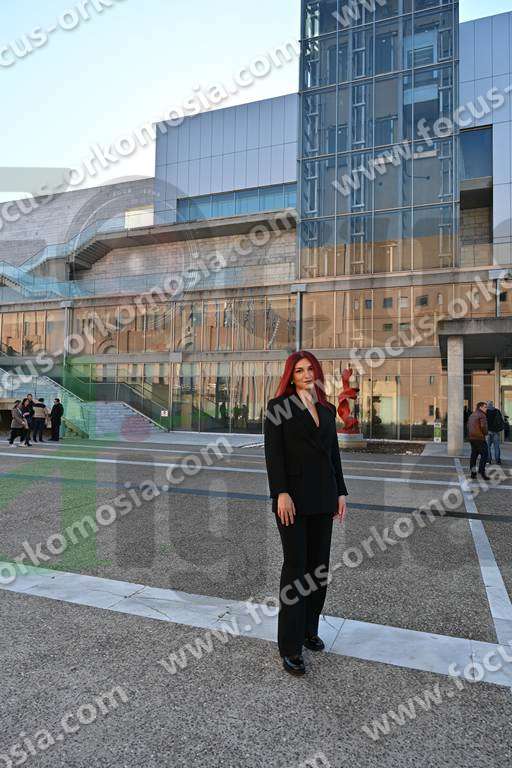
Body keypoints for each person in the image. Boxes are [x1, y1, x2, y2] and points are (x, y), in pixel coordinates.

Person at [264, 350, 348, 677]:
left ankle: (309, 630)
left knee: (319, 569)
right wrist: (280, 493)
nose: (305, 374)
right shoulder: (278, 408)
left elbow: (333, 454)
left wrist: (340, 492)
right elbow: (274, 455)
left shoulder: (326, 409)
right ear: (291, 375)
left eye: (309, 369)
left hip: (324, 497)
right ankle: (290, 646)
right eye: (299, 370)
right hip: (293, 501)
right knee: (296, 568)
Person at [467, 402, 489, 480]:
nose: (486, 409)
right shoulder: (482, 415)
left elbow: (468, 426)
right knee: (485, 455)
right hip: (479, 438)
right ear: (480, 407)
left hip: (472, 438)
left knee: (474, 456)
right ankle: (482, 472)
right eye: (485, 407)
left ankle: (473, 473)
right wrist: (486, 433)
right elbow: (483, 426)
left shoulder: (472, 415)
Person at [486, 401, 505, 465]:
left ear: (487, 405)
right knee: (496, 446)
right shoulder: (497, 411)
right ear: (492, 405)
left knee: (487, 447)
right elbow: (501, 420)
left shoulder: (486, 411)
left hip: (488, 431)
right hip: (496, 431)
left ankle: (488, 460)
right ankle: (498, 460)